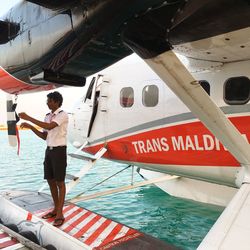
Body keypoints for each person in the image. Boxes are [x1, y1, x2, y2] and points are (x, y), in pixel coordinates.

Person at [19, 91, 68, 227]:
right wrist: (31, 127)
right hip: (49, 151)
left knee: (60, 183)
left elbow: (49, 126)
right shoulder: (47, 116)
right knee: (51, 180)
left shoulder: (62, 115)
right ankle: (55, 209)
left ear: (57, 102)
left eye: (50, 101)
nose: (47, 103)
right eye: (47, 101)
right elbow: (44, 135)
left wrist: (28, 117)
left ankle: (60, 213)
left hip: (59, 151)